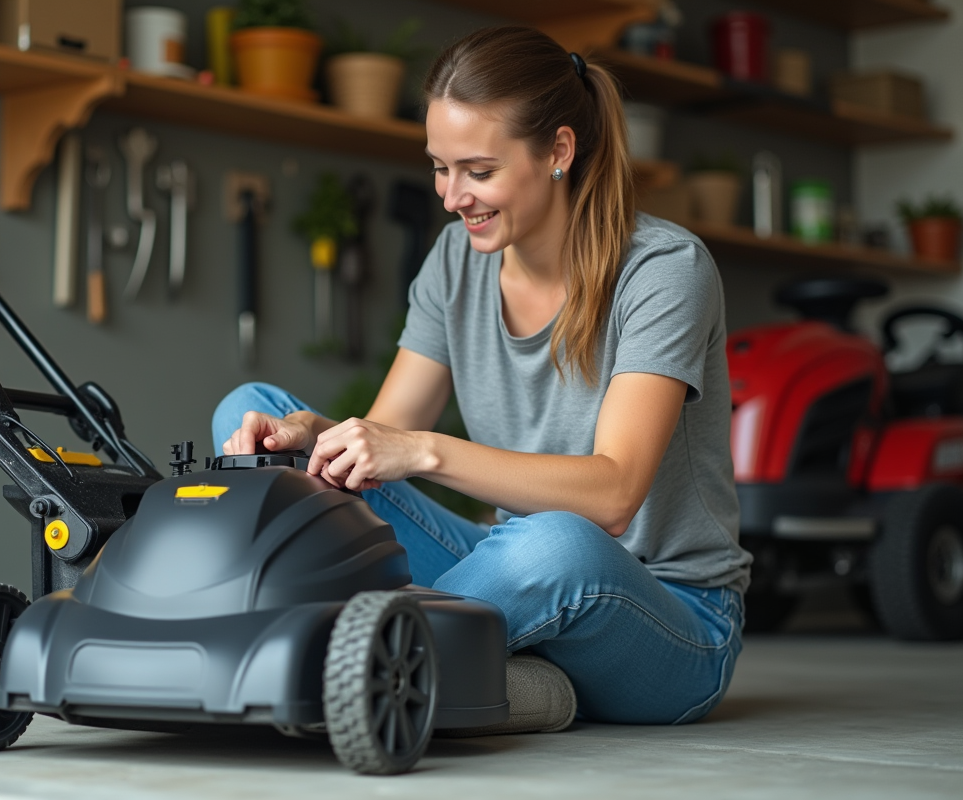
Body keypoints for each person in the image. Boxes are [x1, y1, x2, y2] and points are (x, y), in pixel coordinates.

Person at [212, 25, 751, 732]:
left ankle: (335, 659)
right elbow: (377, 452)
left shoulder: (663, 271)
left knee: (556, 543)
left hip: (669, 614)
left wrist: (425, 450)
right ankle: (475, 668)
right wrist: (316, 437)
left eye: (478, 170)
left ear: (558, 150)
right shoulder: (456, 259)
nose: (451, 196)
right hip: (505, 570)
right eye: (440, 167)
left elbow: (616, 494)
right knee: (251, 407)